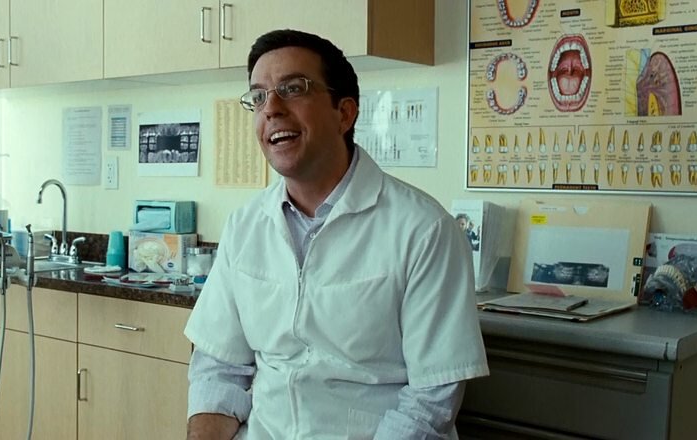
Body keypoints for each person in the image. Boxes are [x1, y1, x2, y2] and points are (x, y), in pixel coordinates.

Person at [184, 29, 489, 439]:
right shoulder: (245, 226)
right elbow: (218, 368)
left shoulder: (424, 230)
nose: (271, 108)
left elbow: (430, 402)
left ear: (344, 114)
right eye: (258, 96)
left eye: (293, 88)